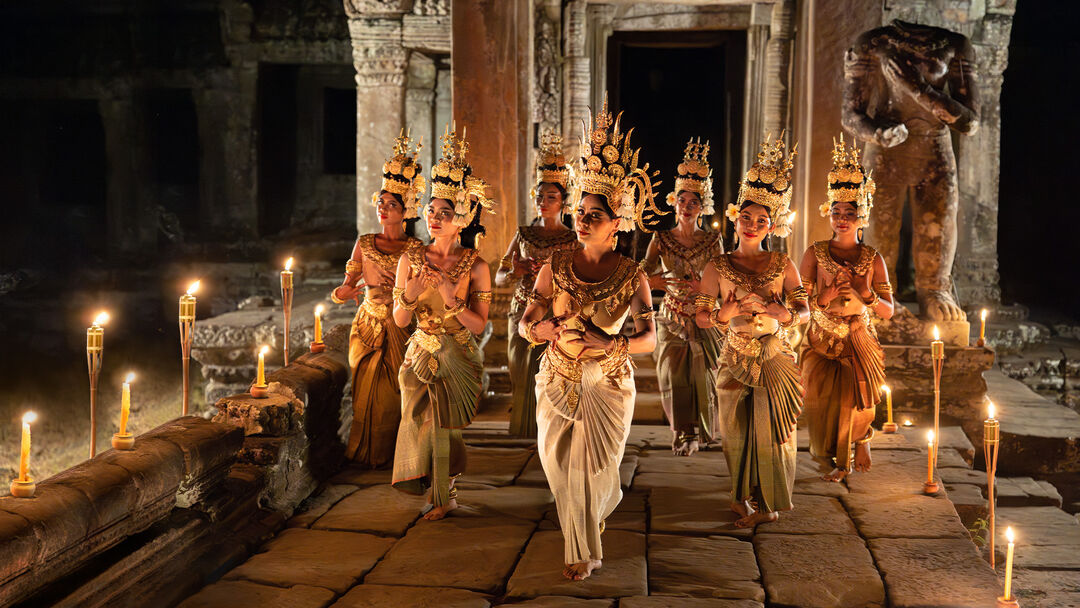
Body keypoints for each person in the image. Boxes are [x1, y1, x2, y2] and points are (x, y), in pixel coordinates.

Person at [520, 96, 664, 581]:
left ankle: (582, 551)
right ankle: (584, 526)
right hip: (557, 379)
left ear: (618, 225)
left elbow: (649, 340)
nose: (582, 220)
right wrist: (535, 329)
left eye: (594, 215)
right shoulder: (554, 265)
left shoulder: (632, 275)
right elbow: (528, 320)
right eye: (581, 212)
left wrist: (609, 347)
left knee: (592, 470)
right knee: (559, 468)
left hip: (606, 384)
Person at [694, 134, 809, 528]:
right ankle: (742, 497)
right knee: (736, 434)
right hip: (735, 356)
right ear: (735, 218)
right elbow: (700, 316)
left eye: (762, 221)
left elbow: (805, 310)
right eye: (747, 217)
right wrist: (724, 314)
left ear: (772, 225)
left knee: (775, 433)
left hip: (775, 356)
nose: (753, 225)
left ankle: (769, 502)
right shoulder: (718, 266)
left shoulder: (783, 263)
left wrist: (784, 313)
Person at [390, 125, 494, 521]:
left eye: (444, 213)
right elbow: (401, 320)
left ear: (461, 219)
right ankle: (433, 489)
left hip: (458, 352)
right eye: (431, 211)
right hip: (418, 351)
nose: (434, 219)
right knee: (418, 420)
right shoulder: (409, 259)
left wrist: (452, 298)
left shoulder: (476, 266)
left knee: (446, 425)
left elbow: (479, 326)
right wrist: (412, 291)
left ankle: (446, 493)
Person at [800, 136, 895, 482]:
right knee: (822, 405)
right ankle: (835, 454)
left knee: (858, 397)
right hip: (822, 339)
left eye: (850, 214)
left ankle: (858, 443)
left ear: (861, 216)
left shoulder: (872, 259)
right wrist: (822, 299)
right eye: (837, 213)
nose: (842, 220)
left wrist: (865, 296)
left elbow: (888, 311)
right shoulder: (815, 253)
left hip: (858, 337)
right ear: (829, 213)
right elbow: (801, 303)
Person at [333, 131, 424, 468]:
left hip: (400, 324)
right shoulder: (364, 241)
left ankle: (394, 456)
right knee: (364, 395)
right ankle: (363, 454)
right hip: (368, 324)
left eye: (392, 205)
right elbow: (344, 287)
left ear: (406, 211)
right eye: (381, 203)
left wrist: (404, 288)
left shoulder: (415, 248)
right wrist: (344, 292)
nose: (384, 209)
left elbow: (421, 289)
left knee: (394, 393)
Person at [642, 138, 725, 456]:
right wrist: (658, 282)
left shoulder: (713, 240)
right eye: (682, 200)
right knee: (673, 377)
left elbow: (724, 278)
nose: (687, 207)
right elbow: (640, 275)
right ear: (673, 202)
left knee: (704, 376)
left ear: (703, 207)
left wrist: (704, 288)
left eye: (694, 202)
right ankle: (682, 433)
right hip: (672, 316)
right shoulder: (660, 238)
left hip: (705, 318)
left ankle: (703, 432)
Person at [496, 130, 578, 438]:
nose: (543, 202)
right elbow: (499, 276)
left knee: (549, 374)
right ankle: (522, 431)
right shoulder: (523, 235)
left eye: (551, 197)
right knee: (519, 371)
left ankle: (547, 432)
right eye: (540, 196)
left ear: (564, 203)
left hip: (555, 313)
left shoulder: (573, 239)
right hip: (520, 309)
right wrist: (515, 270)